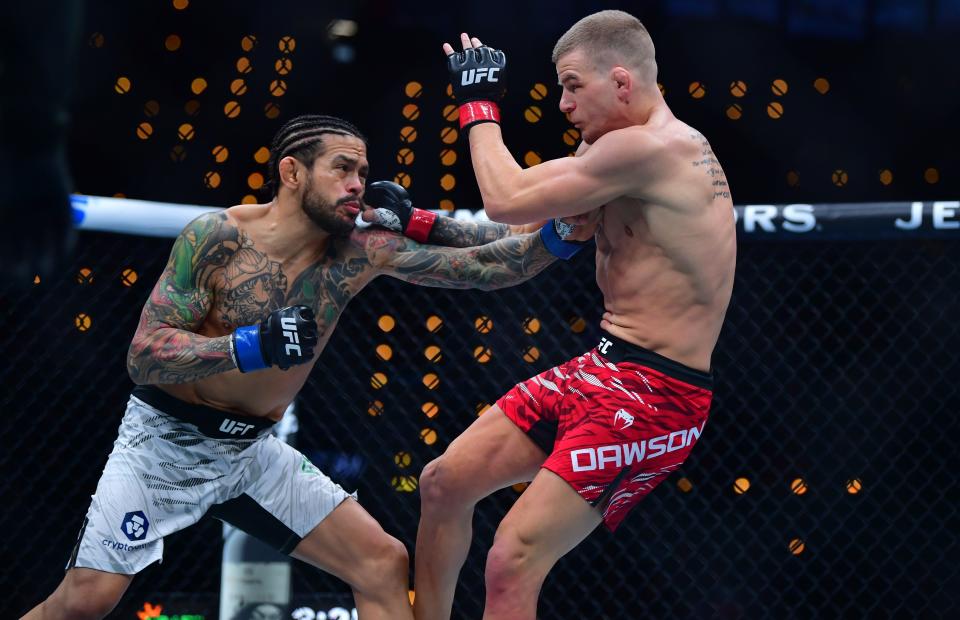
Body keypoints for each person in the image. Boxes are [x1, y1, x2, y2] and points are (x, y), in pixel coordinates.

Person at [22, 114, 592, 620]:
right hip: (166, 443)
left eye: (363, 173)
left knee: (381, 563)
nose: (357, 186)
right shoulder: (217, 237)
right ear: (292, 172)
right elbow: (144, 355)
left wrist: (564, 229)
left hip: (252, 452)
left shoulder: (357, 250)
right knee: (85, 601)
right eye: (343, 169)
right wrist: (250, 345)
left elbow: (489, 265)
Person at [413, 10, 737, 620]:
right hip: (605, 366)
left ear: (621, 83)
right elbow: (523, 225)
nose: (562, 104)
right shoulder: (609, 149)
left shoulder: (654, 149)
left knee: (511, 560)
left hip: (658, 394)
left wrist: (478, 104)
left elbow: (505, 199)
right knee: (441, 483)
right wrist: (416, 221)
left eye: (571, 85)